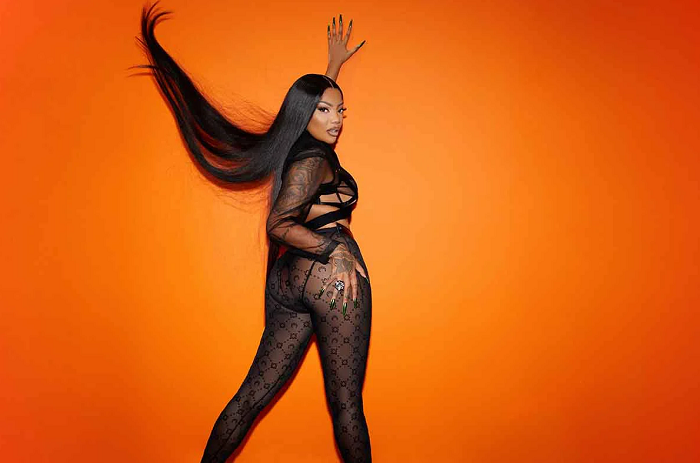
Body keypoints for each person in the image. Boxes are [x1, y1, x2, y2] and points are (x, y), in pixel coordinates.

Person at [133, 3, 372, 461]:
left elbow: (311, 116)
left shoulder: (302, 146)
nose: (336, 119)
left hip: (288, 279)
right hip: (329, 276)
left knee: (250, 398)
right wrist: (333, 249)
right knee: (347, 407)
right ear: (306, 115)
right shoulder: (312, 159)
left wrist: (332, 68)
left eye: (340, 110)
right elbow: (279, 224)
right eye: (325, 110)